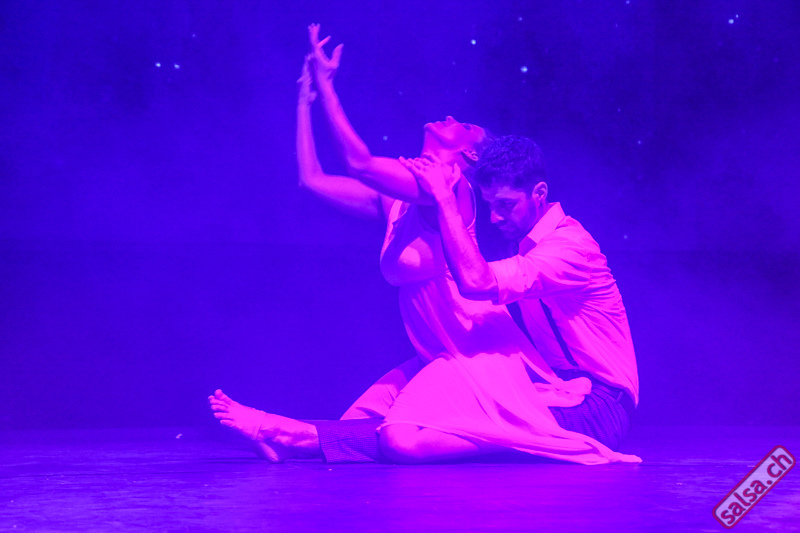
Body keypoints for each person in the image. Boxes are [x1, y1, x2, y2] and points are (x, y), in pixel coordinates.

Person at [210, 27, 640, 465]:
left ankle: (282, 430)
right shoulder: (414, 197)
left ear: (470, 156)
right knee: (363, 419)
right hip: (450, 339)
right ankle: (287, 438)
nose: (452, 117)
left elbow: (360, 162)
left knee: (405, 433)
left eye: (466, 126)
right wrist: (306, 101)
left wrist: (327, 83)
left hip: (516, 362)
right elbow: (313, 180)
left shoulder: (452, 191)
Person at [401, 135, 639, 454]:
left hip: (599, 407)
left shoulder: (569, 248)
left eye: (506, 205)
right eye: (490, 205)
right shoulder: (532, 242)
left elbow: (476, 282)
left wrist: (444, 199)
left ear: (539, 193)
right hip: (559, 389)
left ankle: (345, 441)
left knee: (418, 437)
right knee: (425, 407)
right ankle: (332, 440)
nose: (494, 217)